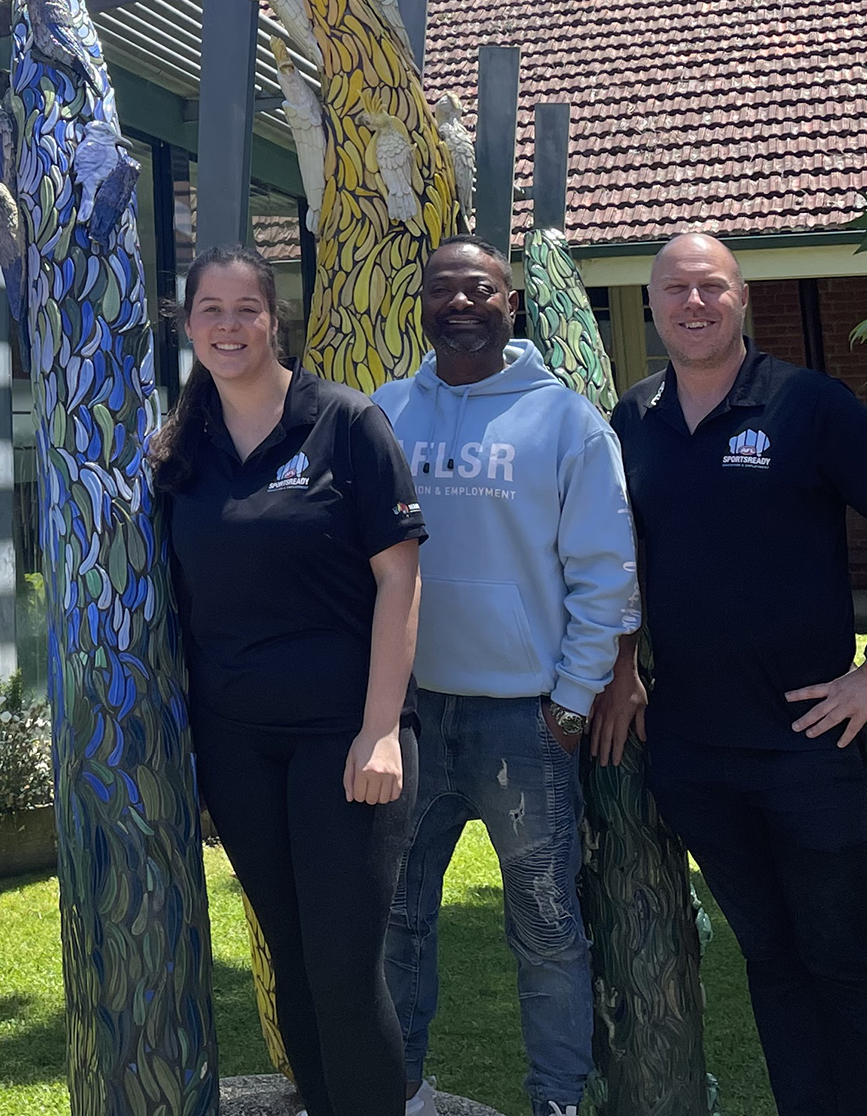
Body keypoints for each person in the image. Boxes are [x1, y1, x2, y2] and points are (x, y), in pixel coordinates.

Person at [590, 232, 867, 1116]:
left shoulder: (806, 403)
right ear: (651, 305)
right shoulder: (632, 419)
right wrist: (624, 664)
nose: (694, 303)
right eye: (676, 289)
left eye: (711, 286)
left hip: (808, 745)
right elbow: (622, 552)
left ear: (740, 296)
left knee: (839, 957)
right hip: (692, 751)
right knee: (770, 956)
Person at [153, 243, 426, 1116]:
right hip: (237, 744)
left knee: (343, 967)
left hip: (344, 739)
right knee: (293, 960)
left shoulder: (344, 422)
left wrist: (380, 729)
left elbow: (399, 578)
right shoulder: (178, 448)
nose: (228, 326)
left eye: (246, 309)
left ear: (275, 320)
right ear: (187, 324)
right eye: (210, 310)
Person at [371, 237, 636, 1116]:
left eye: (478, 288)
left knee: (546, 925)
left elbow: (604, 569)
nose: (459, 302)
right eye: (441, 289)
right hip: (409, 717)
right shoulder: (385, 413)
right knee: (398, 917)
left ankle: (555, 1099)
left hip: (522, 720)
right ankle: (399, 1089)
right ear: (421, 304)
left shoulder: (565, 421)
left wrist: (571, 699)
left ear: (508, 303)